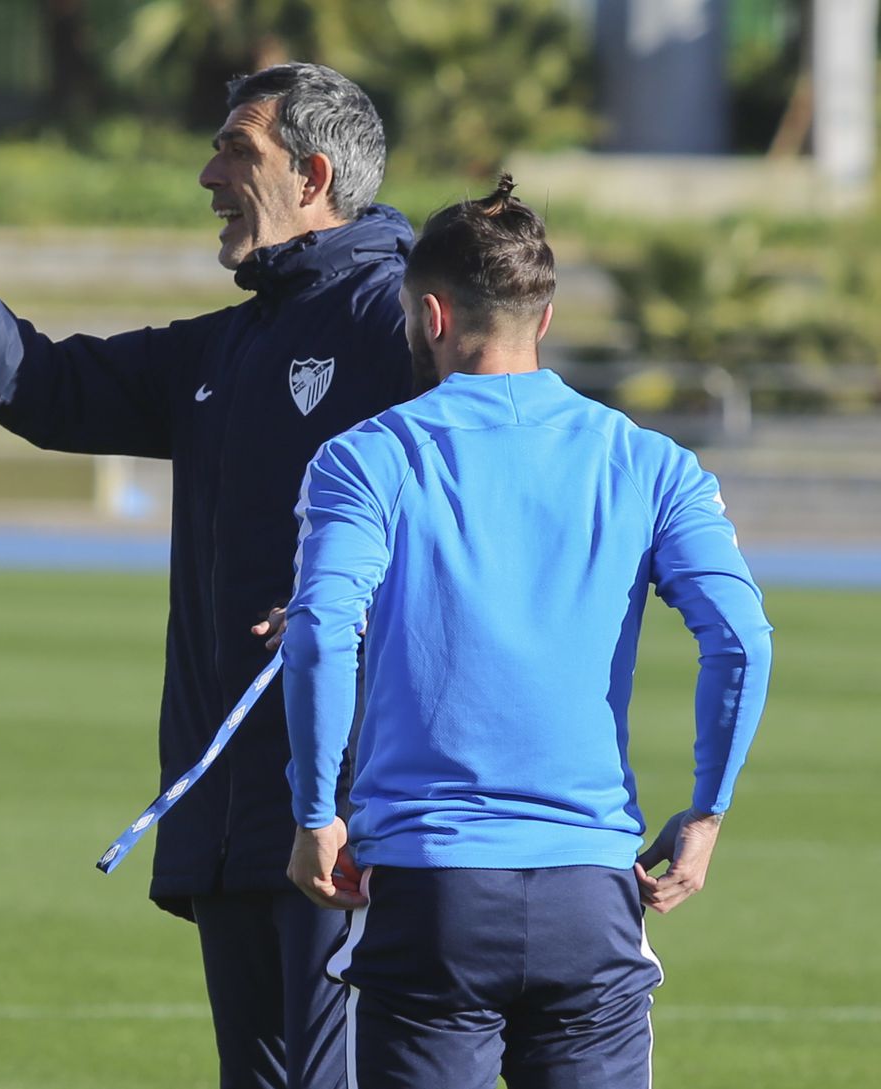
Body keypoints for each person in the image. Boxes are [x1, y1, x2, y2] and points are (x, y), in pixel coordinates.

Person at [0, 62, 412, 1088]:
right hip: (229, 808)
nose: (206, 173)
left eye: (236, 150)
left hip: (350, 810)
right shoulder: (232, 344)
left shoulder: (402, 322)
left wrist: (367, 600)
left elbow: (499, 489)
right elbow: (54, 391)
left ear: (313, 174)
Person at [282, 176, 774, 1088]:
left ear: (429, 315)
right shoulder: (650, 461)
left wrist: (316, 812)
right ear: (540, 321)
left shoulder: (366, 456)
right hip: (591, 887)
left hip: (431, 888)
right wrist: (707, 811)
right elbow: (743, 638)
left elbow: (318, 629)